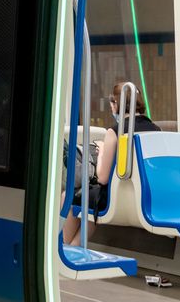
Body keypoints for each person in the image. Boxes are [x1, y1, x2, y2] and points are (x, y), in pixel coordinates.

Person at [63, 82, 161, 245]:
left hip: (115, 198)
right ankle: (74, 248)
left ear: (116, 104)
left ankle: (63, 247)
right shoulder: (155, 130)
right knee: (90, 205)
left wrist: (102, 150)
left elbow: (102, 178)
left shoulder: (115, 132)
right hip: (142, 196)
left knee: (68, 196)